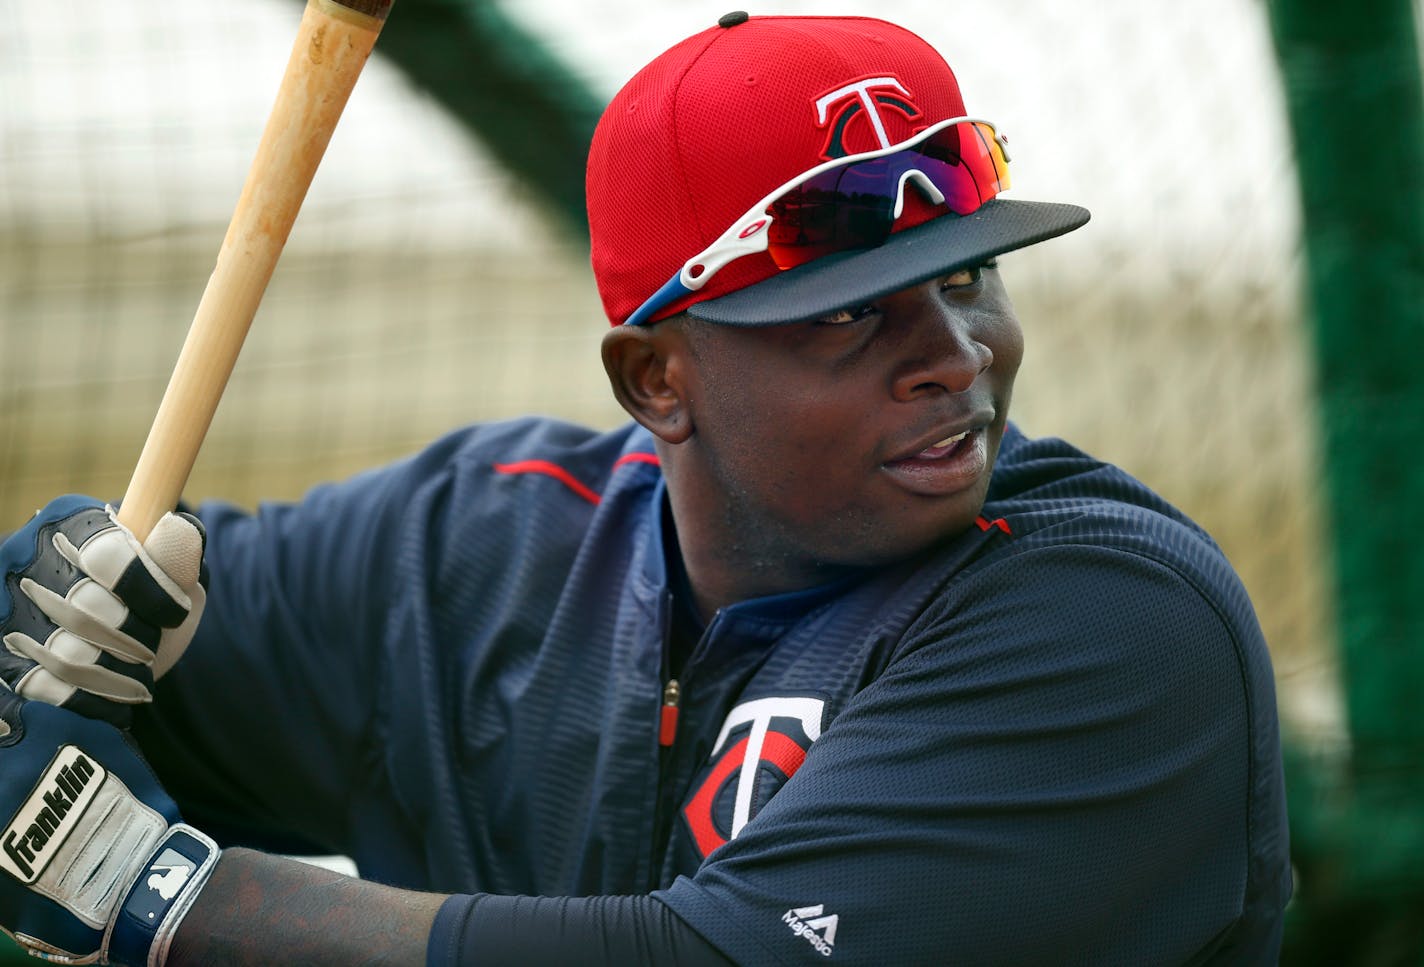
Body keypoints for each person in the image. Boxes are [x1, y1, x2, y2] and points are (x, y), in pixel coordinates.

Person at [0, 11, 1291, 965]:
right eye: (850, 317)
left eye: (966, 281)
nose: (957, 360)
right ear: (655, 379)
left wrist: (149, 888)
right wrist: (47, 609)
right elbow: (69, 676)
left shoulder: (1109, 615)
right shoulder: (470, 540)